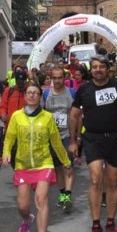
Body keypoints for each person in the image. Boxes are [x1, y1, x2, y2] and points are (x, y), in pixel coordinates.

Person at [68, 55, 117, 232]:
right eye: (94, 67)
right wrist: (74, 140)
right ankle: (96, 225)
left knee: (112, 181)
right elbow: (73, 115)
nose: (97, 70)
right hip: (93, 138)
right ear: (91, 69)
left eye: (101, 66)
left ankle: (111, 222)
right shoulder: (84, 90)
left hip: (115, 138)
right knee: (96, 178)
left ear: (107, 69)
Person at [3, 83, 71, 232]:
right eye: (29, 93)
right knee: (23, 205)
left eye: (35, 93)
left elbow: (55, 141)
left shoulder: (48, 117)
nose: (32, 95)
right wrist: (5, 154)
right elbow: (9, 138)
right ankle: (27, 219)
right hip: (23, 165)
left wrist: (65, 161)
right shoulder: (17, 117)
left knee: (41, 200)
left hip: (44, 164)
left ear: (40, 96)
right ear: (25, 96)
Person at [42, 66, 76, 211]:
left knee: (67, 166)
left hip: (67, 135)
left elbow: (76, 116)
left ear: (64, 78)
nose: (57, 80)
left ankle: (67, 195)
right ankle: (62, 194)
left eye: (59, 77)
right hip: (51, 137)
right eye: (54, 78)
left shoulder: (72, 93)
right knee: (58, 168)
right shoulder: (46, 94)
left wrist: (76, 139)